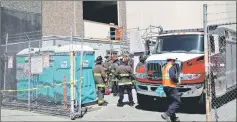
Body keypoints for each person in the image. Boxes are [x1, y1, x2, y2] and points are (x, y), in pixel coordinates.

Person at [161, 57, 181, 122]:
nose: (174, 62)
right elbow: (172, 76)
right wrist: (177, 81)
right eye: (174, 61)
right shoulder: (171, 67)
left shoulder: (164, 67)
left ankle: (173, 118)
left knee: (171, 102)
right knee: (177, 101)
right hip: (171, 86)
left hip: (165, 86)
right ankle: (166, 114)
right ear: (172, 60)